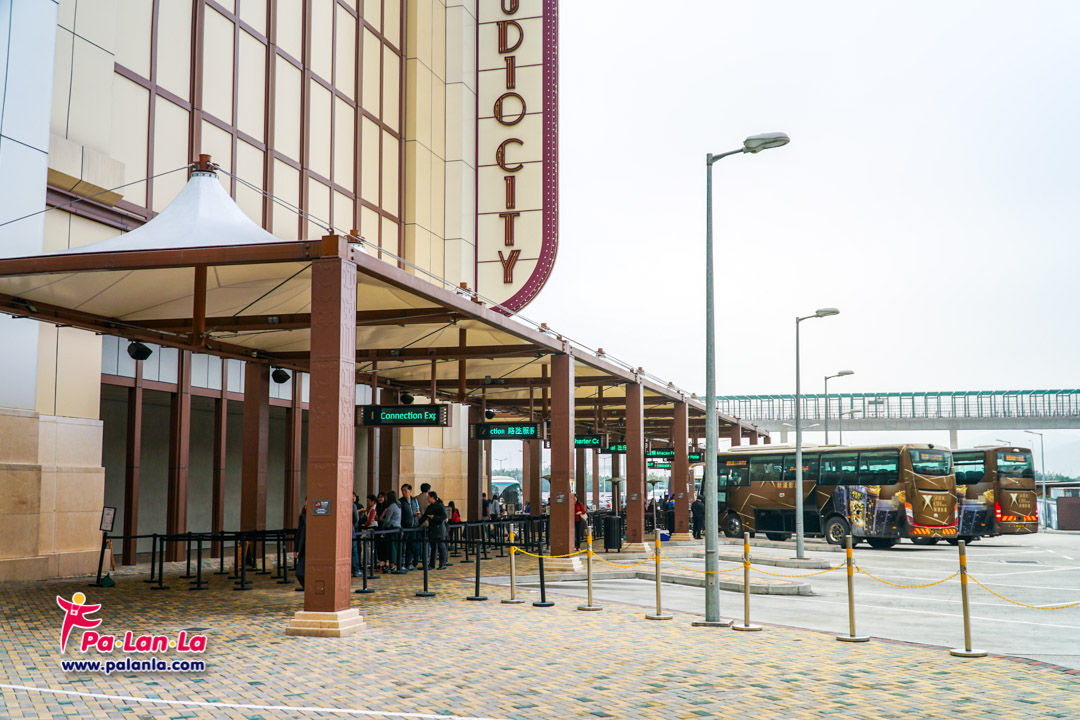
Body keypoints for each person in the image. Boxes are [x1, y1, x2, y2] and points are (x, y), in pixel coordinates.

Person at [418, 490, 448, 569]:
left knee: (441, 547)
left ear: (432, 497)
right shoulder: (429, 507)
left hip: (440, 529)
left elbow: (444, 516)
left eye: (428, 497)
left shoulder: (440, 505)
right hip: (432, 529)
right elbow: (424, 517)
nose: (427, 498)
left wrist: (434, 517)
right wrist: (417, 524)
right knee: (433, 548)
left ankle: (443, 564)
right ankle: (432, 564)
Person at [379, 490, 401, 572]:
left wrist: (383, 526)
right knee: (395, 547)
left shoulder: (391, 506)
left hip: (391, 528)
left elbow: (387, 519)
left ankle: (391, 564)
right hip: (397, 527)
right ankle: (393, 563)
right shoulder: (398, 506)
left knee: (391, 547)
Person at [400, 484, 420, 570]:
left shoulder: (414, 500)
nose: (404, 492)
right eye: (402, 491)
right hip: (405, 526)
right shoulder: (400, 501)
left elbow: (418, 509)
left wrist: (417, 514)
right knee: (402, 546)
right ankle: (401, 563)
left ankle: (408, 563)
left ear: (410, 491)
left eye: (405, 490)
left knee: (411, 546)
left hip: (413, 526)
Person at [293, 501, 307, 591]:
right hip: (303, 548)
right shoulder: (303, 516)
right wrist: (296, 549)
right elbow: (299, 534)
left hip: (314, 549)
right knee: (299, 573)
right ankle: (307, 587)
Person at [351, 493, 362, 577]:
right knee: (354, 550)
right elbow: (356, 519)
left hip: (341, 529)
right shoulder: (353, 505)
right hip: (351, 529)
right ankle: (356, 569)